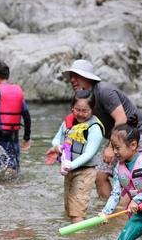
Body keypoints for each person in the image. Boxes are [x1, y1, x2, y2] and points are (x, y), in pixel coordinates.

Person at [63, 59, 142, 199]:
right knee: (100, 176)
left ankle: (139, 208)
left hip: (136, 134)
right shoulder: (84, 98)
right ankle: (109, 213)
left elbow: (121, 119)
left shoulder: (104, 91)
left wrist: (110, 148)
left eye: (77, 76)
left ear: (88, 78)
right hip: (116, 137)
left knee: (129, 177)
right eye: (71, 77)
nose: (72, 80)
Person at [45, 90, 105, 223]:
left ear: (92, 110)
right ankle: (72, 239)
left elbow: (89, 153)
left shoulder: (94, 127)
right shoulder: (68, 122)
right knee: (68, 207)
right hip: (69, 170)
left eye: (85, 110)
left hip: (85, 171)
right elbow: (56, 139)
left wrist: (70, 165)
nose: (81, 114)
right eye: (77, 109)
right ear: (72, 108)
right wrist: (57, 147)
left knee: (76, 210)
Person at [0, 62, 31, 174]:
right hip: (14, 136)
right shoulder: (18, 91)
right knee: (12, 169)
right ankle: (12, 189)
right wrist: (27, 137)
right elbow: (26, 115)